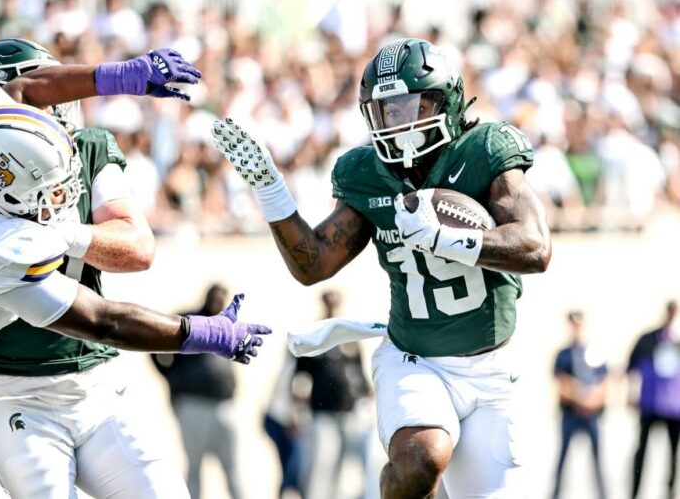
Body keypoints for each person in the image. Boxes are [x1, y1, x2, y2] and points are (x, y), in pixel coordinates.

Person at [0, 26, 270, 498]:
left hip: (92, 384)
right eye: (47, 193)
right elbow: (103, 320)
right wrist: (201, 333)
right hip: (3, 393)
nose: (62, 192)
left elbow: (24, 89)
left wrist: (122, 75)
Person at [213, 37, 551, 497]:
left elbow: (535, 247)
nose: (400, 121)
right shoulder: (366, 172)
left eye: (413, 105)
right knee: (420, 458)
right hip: (414, 359)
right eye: (388, 109)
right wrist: (271, 189)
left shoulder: (484, 150)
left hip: (492, 368)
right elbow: (312, 265)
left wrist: (445, 239)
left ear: (447, 102)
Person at [0, 37, 175, 499]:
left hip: (97, 380)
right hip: (7, 390)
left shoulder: (89, 148)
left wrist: (67, 234)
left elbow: (138, 247)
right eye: (44, 90)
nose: (59, 103)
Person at [152, 283, 244, 499]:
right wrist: (170, 376)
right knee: (194, 465)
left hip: (224, 405)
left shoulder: (226, 324)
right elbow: (155, 345)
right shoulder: (190, 321)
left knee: (232, 466)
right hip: (193, 404)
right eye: (216, 298)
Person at [296, 290, 372, 499]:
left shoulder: (348, 334)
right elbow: (300, 375)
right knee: (322, 461)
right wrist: (296, 410)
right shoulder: (313, 334)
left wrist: (366, 401)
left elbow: (358, 371)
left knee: (344, 466)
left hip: (348, 411)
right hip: (322, 412)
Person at [551, 311, 608, 499]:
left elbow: (605, 381)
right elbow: (560, 382)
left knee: (598, 460)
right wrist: (580, 397)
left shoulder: (594, 351)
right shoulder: (563, 354)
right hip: (570, 414)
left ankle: (603, 495)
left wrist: (592, 400)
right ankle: (555, 494)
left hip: (592, 415)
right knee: (563, 458)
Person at [627, 300, 680, 499]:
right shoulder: (648, 339)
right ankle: (634, 492)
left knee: (673, 455)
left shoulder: (677, 340)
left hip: (675, 408)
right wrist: (631, 395)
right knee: (642, 451)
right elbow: (631, 367)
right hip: (650, 404)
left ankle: (670, 493)